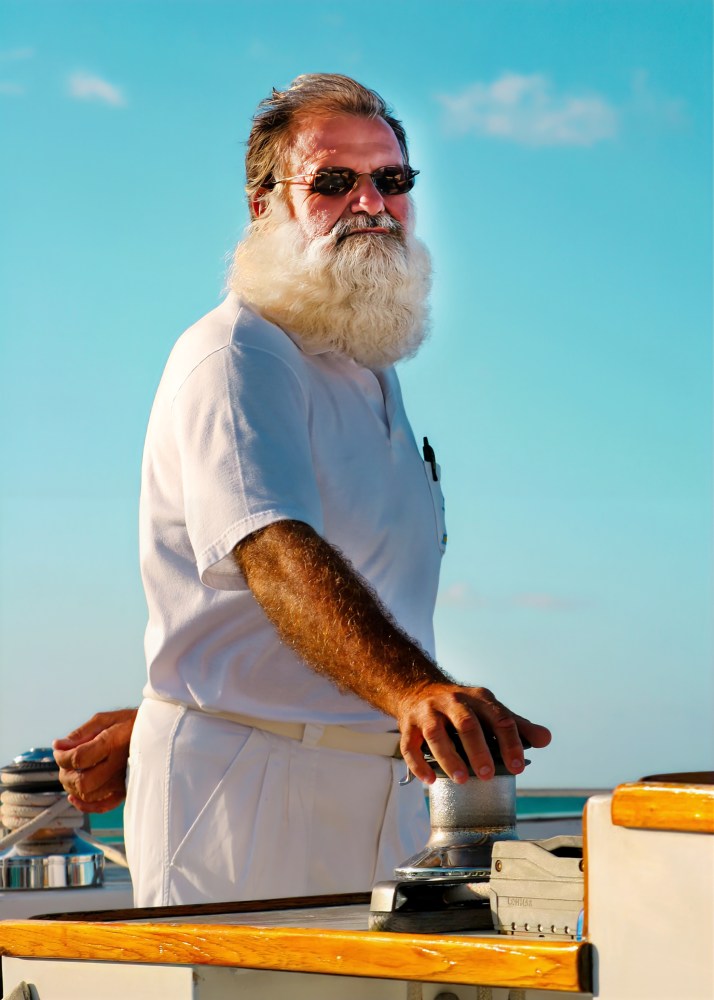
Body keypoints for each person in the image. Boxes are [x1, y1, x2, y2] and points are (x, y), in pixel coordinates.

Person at [54, 73, 551, 907]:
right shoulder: (238, 353)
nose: (371, 202)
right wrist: (417, 691)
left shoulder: (368, 369)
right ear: (264, 206)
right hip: (245, 802)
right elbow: (273, 553)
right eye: (332, 182)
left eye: (391, 180)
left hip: (386, 795)